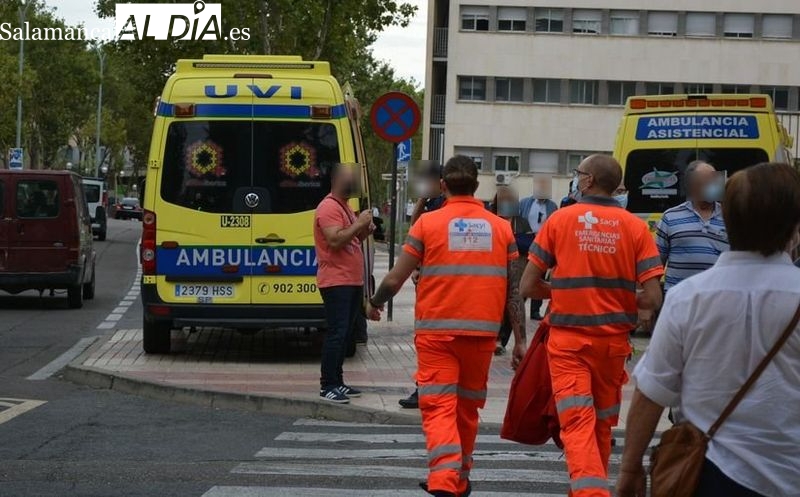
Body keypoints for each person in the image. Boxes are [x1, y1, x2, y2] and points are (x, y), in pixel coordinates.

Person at [617, 162, 800, 497]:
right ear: (793, 228)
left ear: (727, 221)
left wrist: (630, 468)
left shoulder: (689, 297)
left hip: (709, 473)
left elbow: (652, 390)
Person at [367, 156, 525, 497]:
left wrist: (375, 303)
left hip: (437, 335)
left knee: (439, 408)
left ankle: (443, 481)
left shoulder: (428, 225)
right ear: (477, 186)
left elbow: (396, 277)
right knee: (467, 410)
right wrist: (520, 340)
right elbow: (514, 291)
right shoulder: (501, 228)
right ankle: (461, 478)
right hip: (482, 337)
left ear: (442, 186)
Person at [520, 154, 664, 497]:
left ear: (587, 182)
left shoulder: (560, 220)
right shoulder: (634, 227)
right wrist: (619, 298)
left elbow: (527, 287)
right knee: (600, 425)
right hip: (613, 347)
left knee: (578, 423)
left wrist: (563, 291)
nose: (576, 178)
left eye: (578, 173)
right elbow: (653, 298)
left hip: (569, 343)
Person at [313, 163, 373, 404]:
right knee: (337, 333)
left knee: (345, 333)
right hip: (336, 281)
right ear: (336, 180)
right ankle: (327, 384)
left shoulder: (345, 207)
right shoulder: (328, 207)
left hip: (350, 280)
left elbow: (352, 239)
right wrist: (358, 224)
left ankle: (338, 381)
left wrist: (364, 230)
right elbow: (335, 240)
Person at [399, 162, 445, 410]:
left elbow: (417, 233)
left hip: (439, 286)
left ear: (441, 182)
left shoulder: (443, 206)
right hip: (428, 280)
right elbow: (414, 232)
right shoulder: (430, 204)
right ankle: (424, 388)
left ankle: (426, 390)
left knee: (431, 341)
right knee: (427, 340)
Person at [656, 160, 729, 292]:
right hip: (677, 299)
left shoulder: (730, 216)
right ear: (691, 185)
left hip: (718, 299)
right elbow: (657, 264)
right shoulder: (670, 217)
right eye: (706, 181)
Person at [490, 185, 531, 355]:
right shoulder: (490, 219)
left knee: (513, 303)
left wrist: (507, 239)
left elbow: (528, 244)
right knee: (497, 304)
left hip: (518, 269)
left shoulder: (521, 221)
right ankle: (496, 338)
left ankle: (503, 339)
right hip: (495, 269)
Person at [519, 176, 558, 320]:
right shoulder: (524, 203)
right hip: (526, 242)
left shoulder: (552, 206)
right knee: (524, 276)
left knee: (539, 276)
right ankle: (519, 307)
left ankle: (535, 310)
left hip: (544, 244)